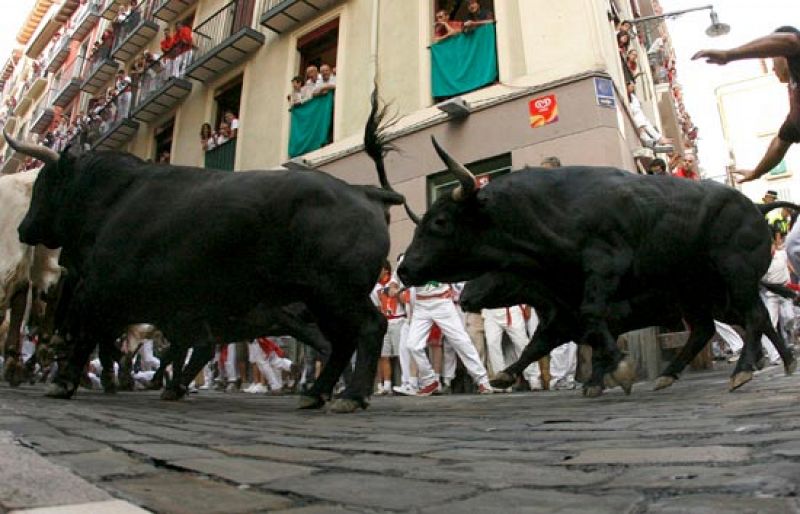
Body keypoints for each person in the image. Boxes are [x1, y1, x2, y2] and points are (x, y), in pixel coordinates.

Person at [693, 26, 800, 184]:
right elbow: (779, 144)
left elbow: (790, 41)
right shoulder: (795, 111)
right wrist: (756, 173)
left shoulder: (795, 55)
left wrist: (729, 55)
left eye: (772, 57)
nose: (772, 67)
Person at [626, 81, 673, 151]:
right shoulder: (625, 95)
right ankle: (649, 139)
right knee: (640, 117)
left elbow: (637, 109)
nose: (633, 88)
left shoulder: (633, 97)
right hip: (634, 119)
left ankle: (658, 138)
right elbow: (634, 110)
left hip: (639, 120)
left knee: (645, 120)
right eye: (632, 86)